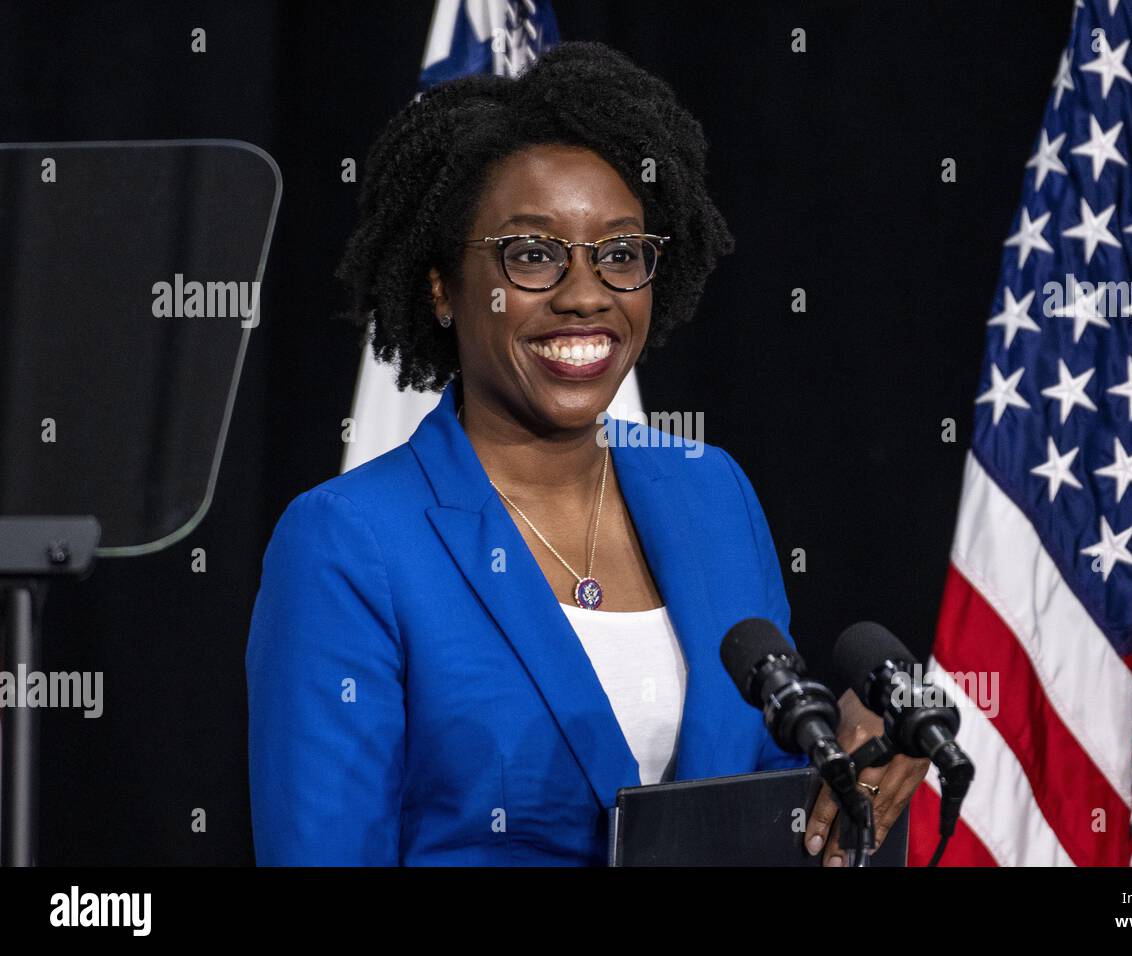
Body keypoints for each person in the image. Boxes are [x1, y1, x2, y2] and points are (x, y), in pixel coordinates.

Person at [245, 40, 927, 866]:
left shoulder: (710, 491)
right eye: (532, 254)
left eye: (620, 253)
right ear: (440, 287)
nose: (584, 294)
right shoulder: (348, 542)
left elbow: (751, 794)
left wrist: (843, 761)